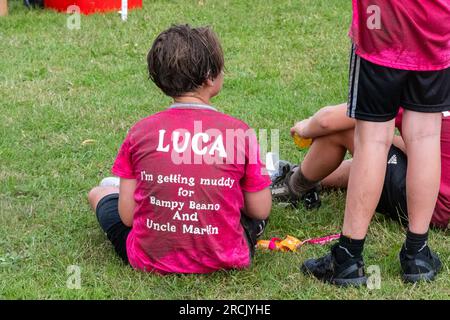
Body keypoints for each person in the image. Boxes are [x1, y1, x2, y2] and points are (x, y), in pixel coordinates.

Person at [87, 25, 272, 274]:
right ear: (210, 76)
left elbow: (128, 217)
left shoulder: (140, 132)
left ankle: (117, 188)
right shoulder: (239, 133)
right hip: (225, 256)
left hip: (149, 257)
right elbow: (260, 210)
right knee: (247, 200)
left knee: (98, 193)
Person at [289, 1, 450, 285]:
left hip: (383, 22)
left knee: (373, 139)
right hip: (437, 20)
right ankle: (418, 255)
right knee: (425, 136)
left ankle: (349, 257)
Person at [271, 103, 450, 231]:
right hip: (437, 193)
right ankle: (312, 181)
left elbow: (327, 121)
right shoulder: (438, 86)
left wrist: (306, 127)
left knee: (347, 130)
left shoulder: (419, 90)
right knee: (375, 152)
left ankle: (293, 187)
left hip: (429, 208)